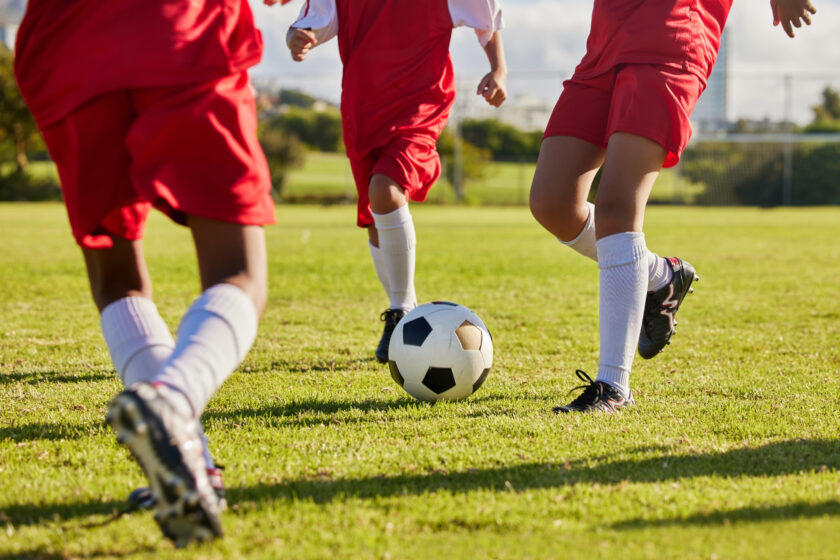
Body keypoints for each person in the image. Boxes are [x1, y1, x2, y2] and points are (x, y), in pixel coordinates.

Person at [14, 0, 286, 546]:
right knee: (238, 272)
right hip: (178, 26)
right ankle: (175, 397)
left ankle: (192, 466)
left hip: (61, 43)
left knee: (116, 277)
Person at [529, 0, 817, 413]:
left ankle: (613, 386)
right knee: (552, 202)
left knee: (616, 205)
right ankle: (660, 275)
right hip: (606, 41)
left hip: (671, 35)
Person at [275, 0, 507, 363]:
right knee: (373, 219)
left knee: (385, 191)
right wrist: (297, 38)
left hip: (420, 103)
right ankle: (402, 305)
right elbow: (312, 23)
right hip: (362, 108)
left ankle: (400, 311)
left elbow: (485, 18)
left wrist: (499, 69)